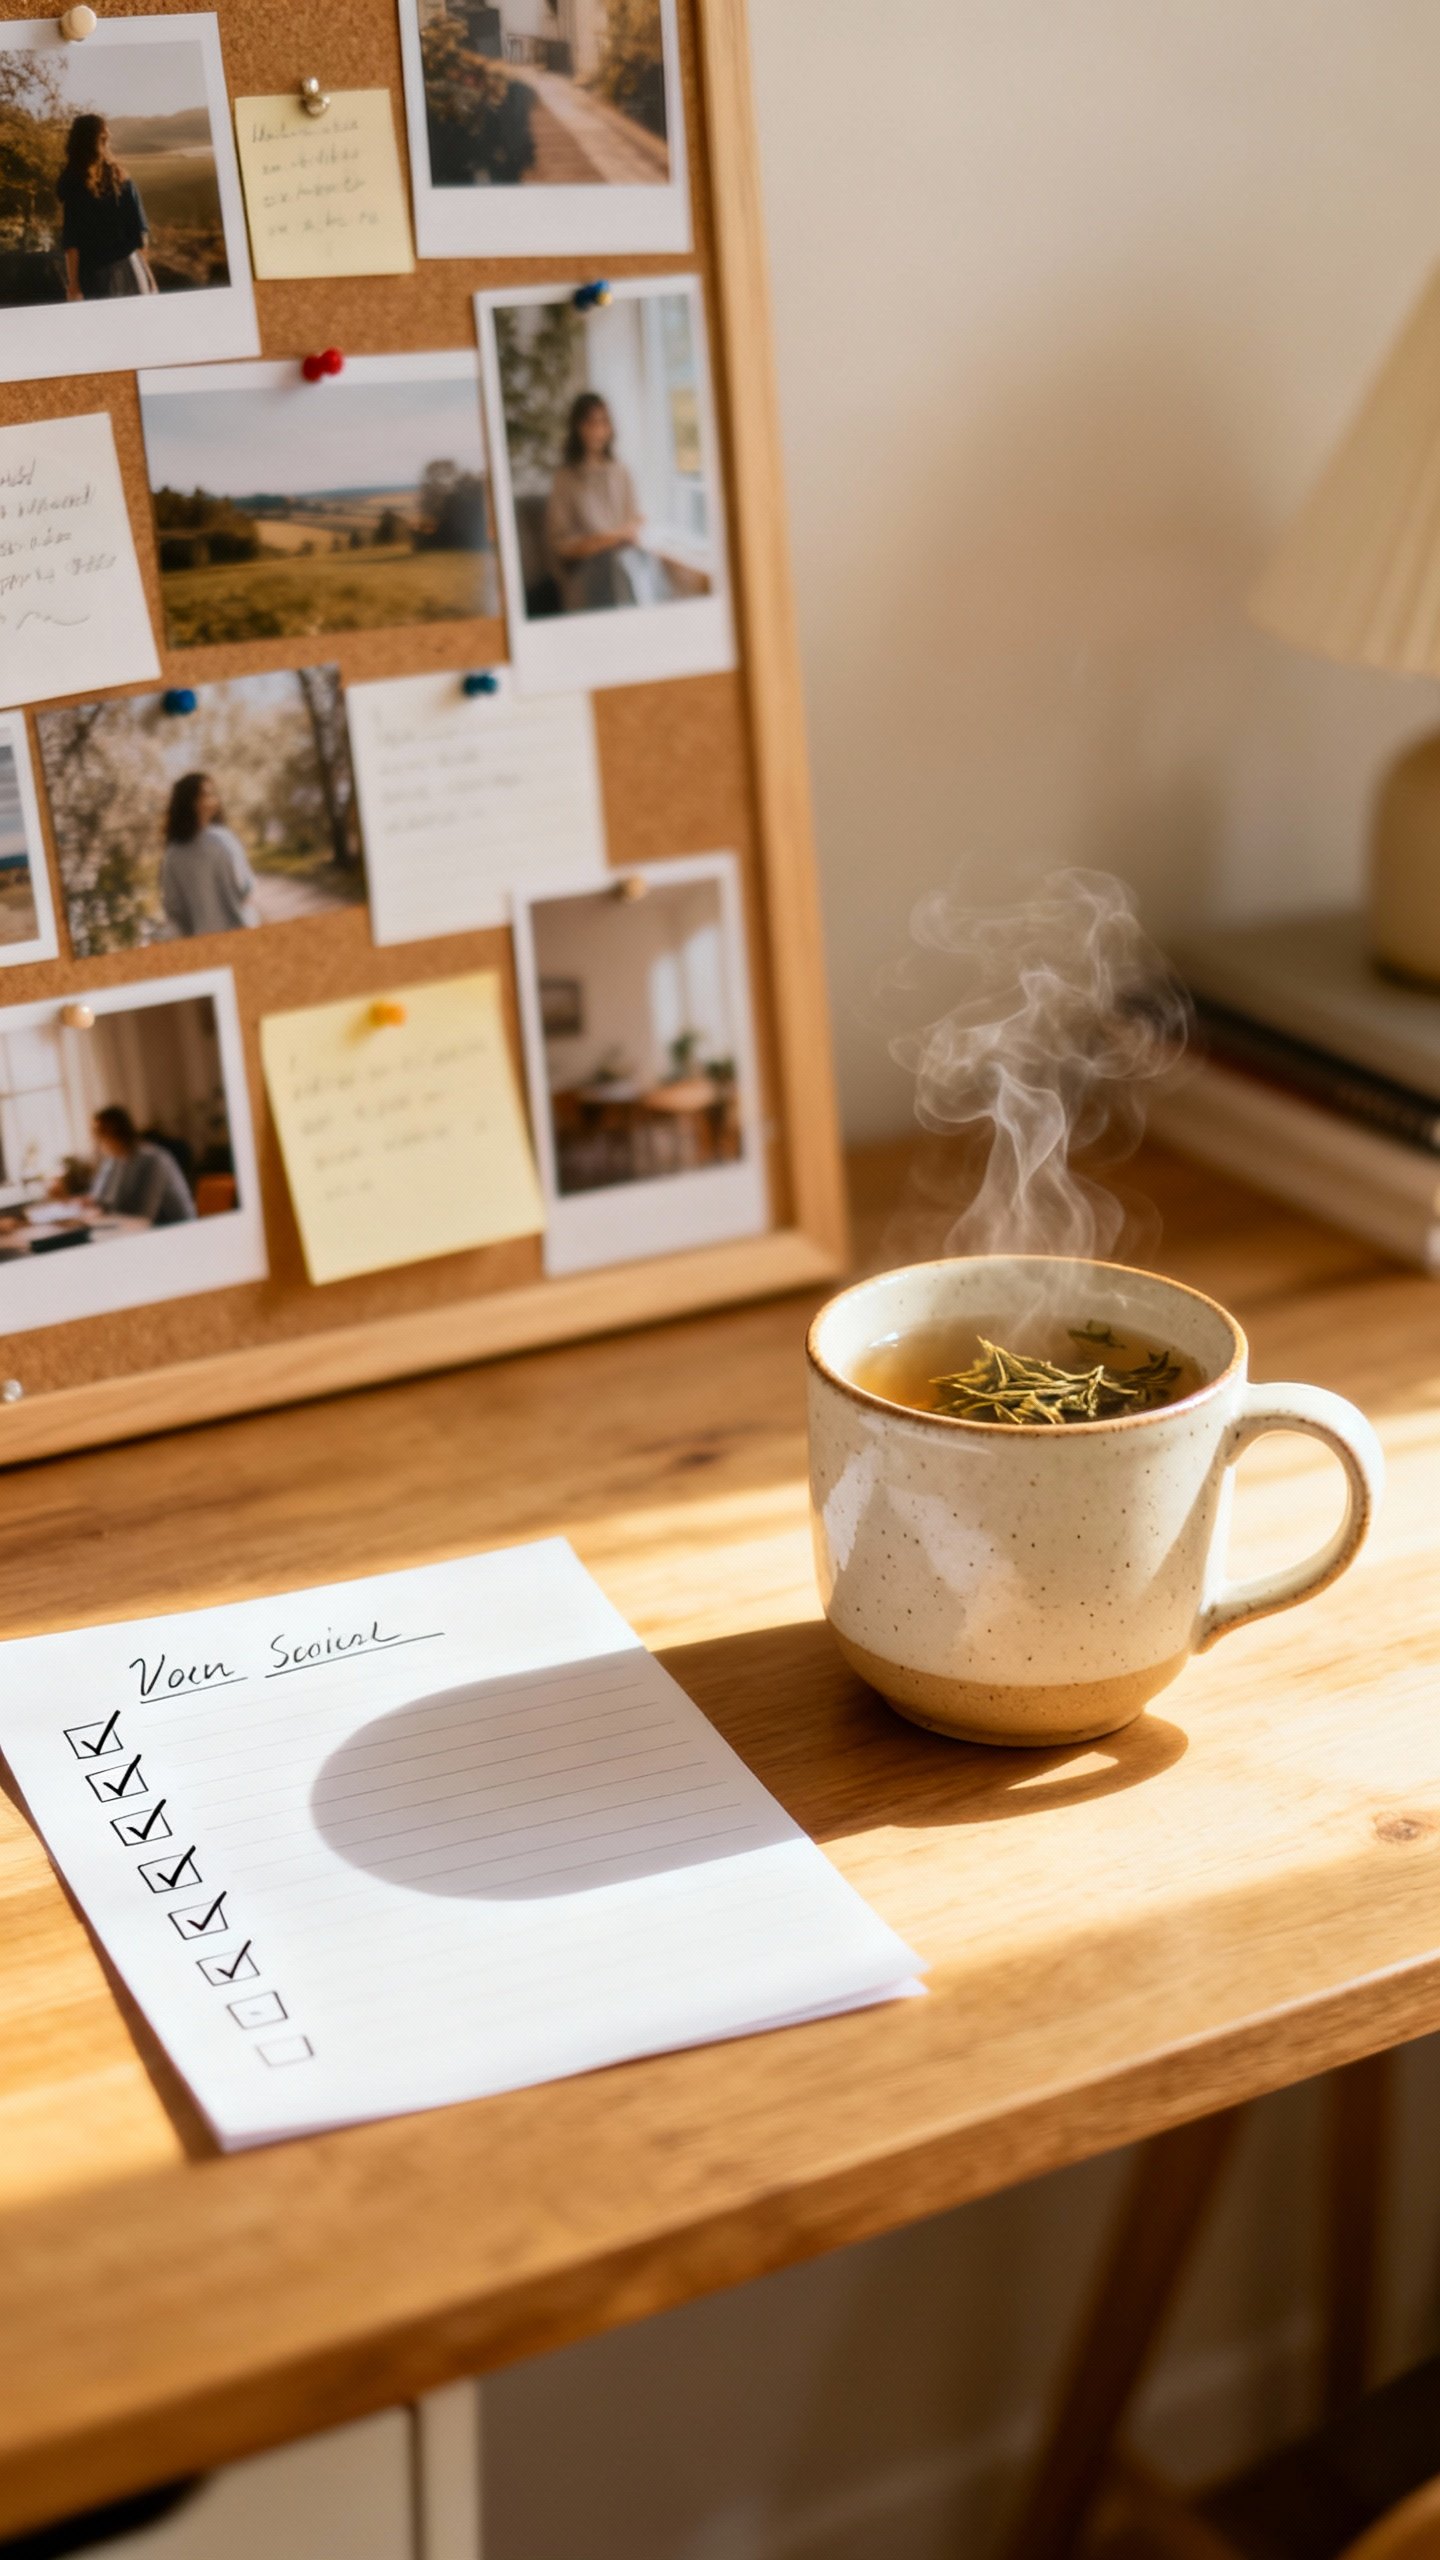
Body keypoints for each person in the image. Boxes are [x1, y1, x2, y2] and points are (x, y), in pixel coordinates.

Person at [544, 394, 647, 613]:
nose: (598, 430)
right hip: (585, 571)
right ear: (578, 427)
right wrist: (613, 537)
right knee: (613, 567)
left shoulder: (621, 471)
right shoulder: (565, 478)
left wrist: (625, 533)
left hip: (624, 563)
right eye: (591, 422)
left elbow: (634, 523)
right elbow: (562, 545)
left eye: (603, 422)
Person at [57, 115, 156, 303]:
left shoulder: (73, 186)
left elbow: (72, 243)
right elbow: (140, 238)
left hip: (93, 277)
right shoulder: (123, 181)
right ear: (103, 140)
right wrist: (149, 277)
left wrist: (74, 285)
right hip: (131, 270)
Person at [159, 774, 260, 939]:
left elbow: (174, 911)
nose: (214, 800)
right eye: (207, 794)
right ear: (191, 802)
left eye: (214, 794)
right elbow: (246, 888)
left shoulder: (172, 854)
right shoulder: (223, 839)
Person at [83, 1108, 196, 1226]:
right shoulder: (115, 1161)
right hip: (141, 1229)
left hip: (174, 1230)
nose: (97, 1141)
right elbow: (107, 1202)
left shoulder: (153, 1159)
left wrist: (101, 1215)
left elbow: (143, 1216)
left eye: (100, 1133)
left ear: (117, 1131)